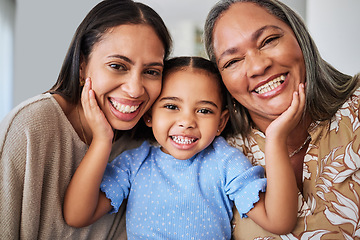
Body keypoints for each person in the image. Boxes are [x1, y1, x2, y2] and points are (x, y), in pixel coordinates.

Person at [64, 56, 304, 239]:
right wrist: (102, 140)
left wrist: (276, 140)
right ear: (149, 116)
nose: (187, 122)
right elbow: (77, 215)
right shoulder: (134, 163)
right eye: (171, 106)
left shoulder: (225, 162)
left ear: (221, 123)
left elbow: (280, 221)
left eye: (204, 111)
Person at [0, 0, 172, 239]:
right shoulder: (30, 126)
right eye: (117, 66)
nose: (135, 89)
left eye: (151, 71)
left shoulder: (147, 146)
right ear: (82, 65)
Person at [204, 0, 360, 239]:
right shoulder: (215, 156)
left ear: (300, 38)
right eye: (232, 61)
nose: (257, 66)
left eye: (268, 41)